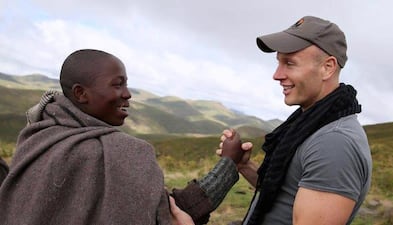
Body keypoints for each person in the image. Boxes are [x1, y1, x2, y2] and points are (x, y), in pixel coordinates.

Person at [0, 49, 242, 225]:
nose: (127, 94)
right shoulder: (127, 152)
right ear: (80, 93)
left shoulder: (36, 136)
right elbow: (167, 216)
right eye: (118, 85)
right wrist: (228, 164)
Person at [218, 16, 372, 225]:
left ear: (327, 67)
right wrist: (244, 166)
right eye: (279, 63)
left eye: (290, 63)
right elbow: (285, 195)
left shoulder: (335, 144)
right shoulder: (310, 124)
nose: (276, 75)